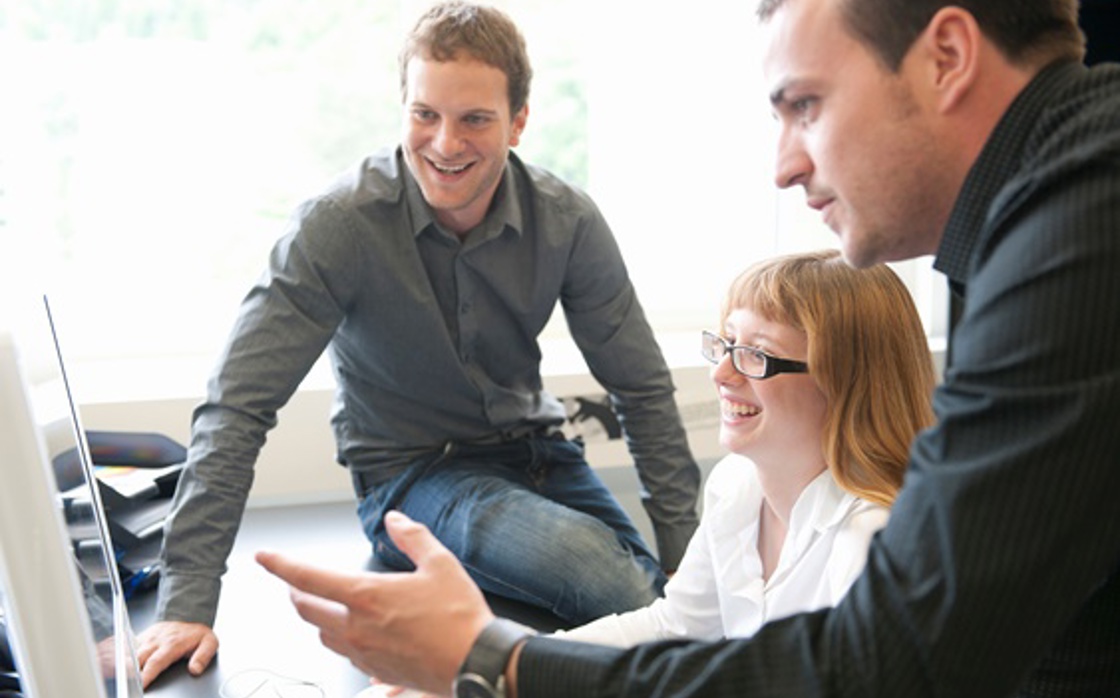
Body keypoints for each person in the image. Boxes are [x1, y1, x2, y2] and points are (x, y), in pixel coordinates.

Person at [256, 0, 1120, 695]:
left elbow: (895, 660)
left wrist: (495, 664)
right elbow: (687, 623)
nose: (784, 166)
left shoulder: (1080, 232)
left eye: (807, 106)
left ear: (948, 56)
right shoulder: (1032, 216)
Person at [136, 0, 702, 688]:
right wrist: (186, 603)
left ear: (519, 122)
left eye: (475, 120)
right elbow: (237, 407)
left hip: (541, 455)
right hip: (412, 477)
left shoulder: (568, 220)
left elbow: (641, 388)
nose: (444, 143)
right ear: (402, 107)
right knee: (618, 584)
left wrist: (684, 553)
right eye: (425, 114)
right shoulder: (337, 226)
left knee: (668, 604)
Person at [551, 250, 935, 648]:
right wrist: (525, 658)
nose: (721, 374)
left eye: (758, 355)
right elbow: (674, 626)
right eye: (728, 343)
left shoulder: (870, 538)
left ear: (846, 382)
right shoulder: (736, 482)